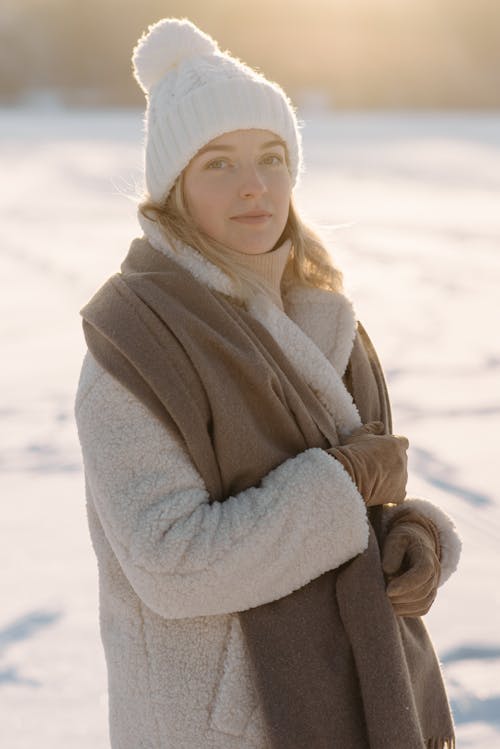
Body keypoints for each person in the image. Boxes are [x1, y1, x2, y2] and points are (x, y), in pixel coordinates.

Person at [75, 18, 461, 749]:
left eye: (272, 157)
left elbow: (368, 497)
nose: (254, 186)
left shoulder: (323, 312)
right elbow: (174, 564)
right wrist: (343, 482)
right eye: (218, 163)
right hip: (227, 728)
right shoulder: (132, 351)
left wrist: (417, 534)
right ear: (174, 187)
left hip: (360, 703)